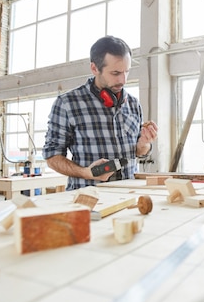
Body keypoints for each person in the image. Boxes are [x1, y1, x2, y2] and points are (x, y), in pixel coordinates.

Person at [43, 35, 158, 189]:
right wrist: (86, 173)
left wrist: (144, 144)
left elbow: (139, 152)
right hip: (87, 197)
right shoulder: (67, 104)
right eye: (115, 73)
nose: (123, 80)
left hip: (128, 196)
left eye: (127, 72)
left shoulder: (132, 104)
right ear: (94, 68)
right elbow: (52, 156)